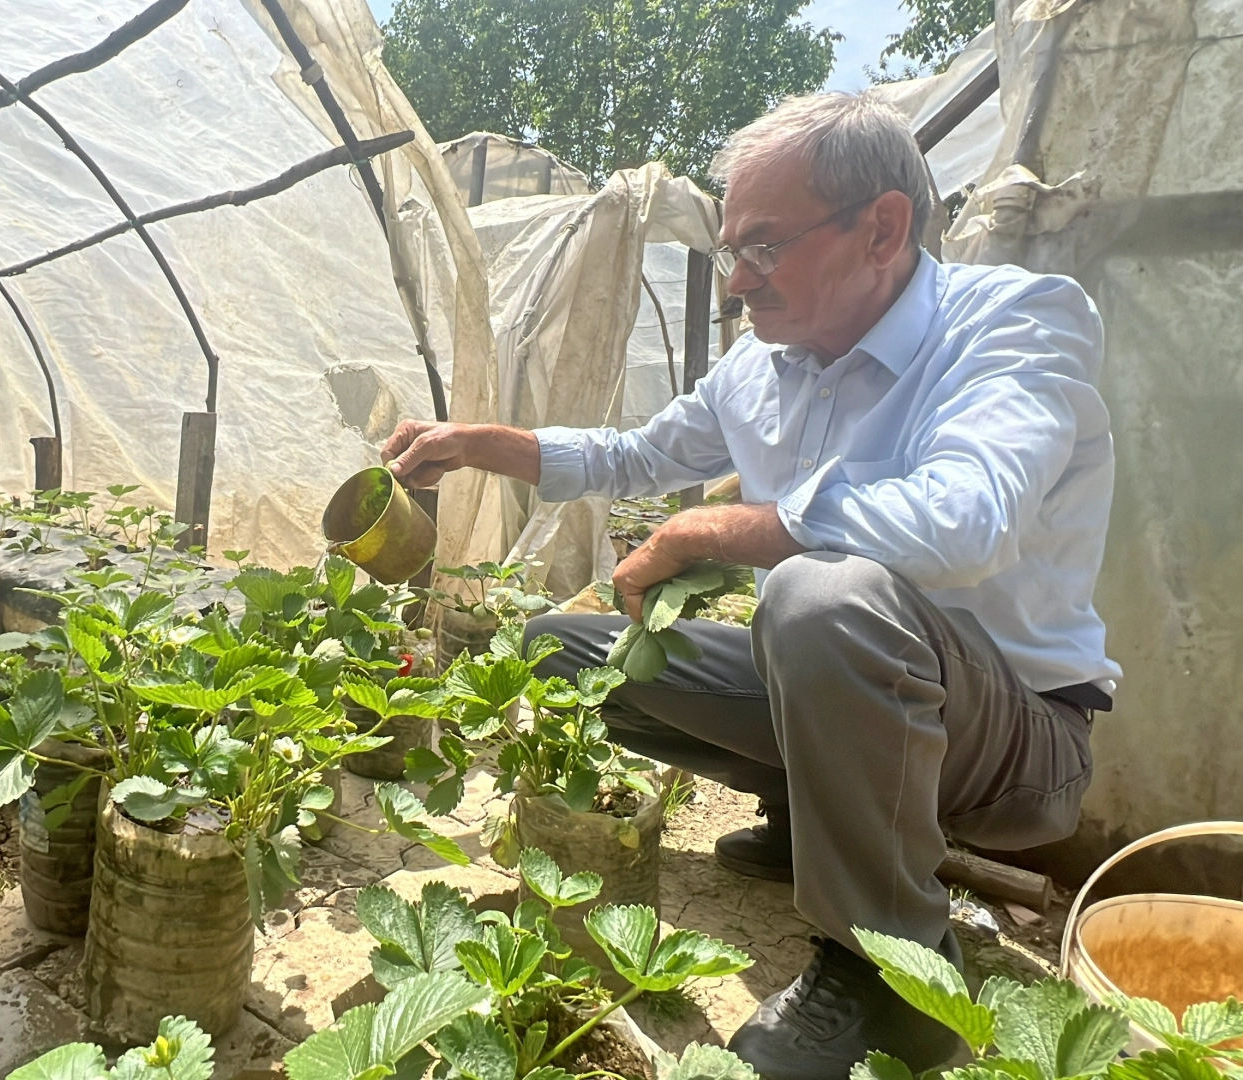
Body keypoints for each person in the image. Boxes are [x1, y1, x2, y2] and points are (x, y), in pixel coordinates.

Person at [380, 92, 1117, 1080]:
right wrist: (476, 443)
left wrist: (715, 530)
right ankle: (820, 825)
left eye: (762, 247)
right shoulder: (761, 365)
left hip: (1017, 741)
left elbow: (966, 520)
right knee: (570, 650)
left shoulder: (1015, 325)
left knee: (819, 599)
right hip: (862, 697)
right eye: (731, 252)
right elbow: (632, 454)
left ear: (882, 230)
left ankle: (888, 975)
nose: (736, 283)